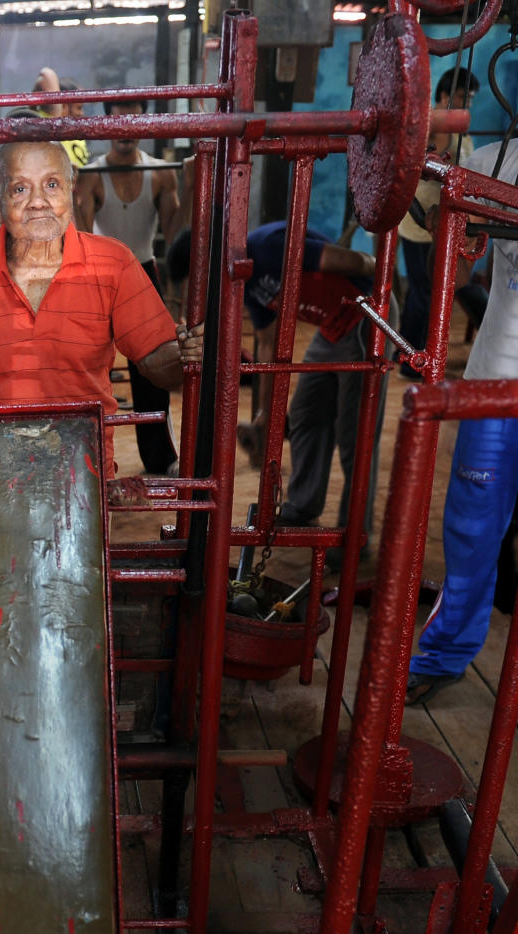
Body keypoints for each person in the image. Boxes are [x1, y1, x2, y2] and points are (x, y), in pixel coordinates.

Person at [0, 140, 202, 478]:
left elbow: (157, 363)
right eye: (20, 189)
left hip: (84, 475)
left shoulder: (114, 264)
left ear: (72, 188)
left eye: (52, 184)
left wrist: (187, 354)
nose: (38, 202)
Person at [167, 220, 390, 552]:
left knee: (354, 433)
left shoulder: (268, 247)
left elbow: (358, 262)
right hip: (331, 327)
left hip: (366, 317)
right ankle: (302, 507)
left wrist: (382, 294)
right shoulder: (245, 283)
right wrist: (265, 419)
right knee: (305, 412)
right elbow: (269, 348)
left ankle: (354, 538)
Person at [407, 134, 518, 704]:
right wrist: (439, 204)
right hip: (497, 376)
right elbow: (414, 208)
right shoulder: (499, 160)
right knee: (472, 528)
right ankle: (446, 653)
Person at [75, 101, 180, 475]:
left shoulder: (161, 174)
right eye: (117, 118)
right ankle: (88, 459)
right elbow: (82, 238)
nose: (125, 128)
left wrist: (202, 179)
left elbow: (176, 237)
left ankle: (161, 458)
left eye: (132, 117)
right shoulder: (89, 176)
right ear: (107, 122)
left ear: (143, 121)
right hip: (100, 276)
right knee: (88, 366)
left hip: (145, 271)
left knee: (153, 370)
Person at [397, 67, 486, 376]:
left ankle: (408, 356)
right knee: (424, 294)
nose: (466, 103)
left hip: (447, 228)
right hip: (418, 224)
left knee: (443, 289)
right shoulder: (430, 124)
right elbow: (405, 164)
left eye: (469, 98)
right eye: (461, 96)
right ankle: (409, 362)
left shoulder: (461, 130)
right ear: (445, 95)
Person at [33, 67, 89, 168]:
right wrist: (32, 104)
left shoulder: (75, 131)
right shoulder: (49, 123)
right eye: (79, 108)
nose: (81, 113)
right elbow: (47, 74)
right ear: (63, 106)